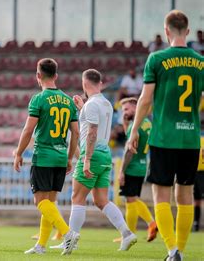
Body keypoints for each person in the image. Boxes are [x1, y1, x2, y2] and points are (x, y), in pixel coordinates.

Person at [128, 10, 203, 261]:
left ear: (167, 30)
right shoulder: (201, 62)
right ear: (188, 32)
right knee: (185, 196)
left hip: (163, 138)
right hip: (191, 139)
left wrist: (134, 130)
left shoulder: (156, 59)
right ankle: (180, 249)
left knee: (161, 195)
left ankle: (172, 251)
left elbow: (145, 99)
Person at [63, 69, 137, 255]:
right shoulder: (106, 104)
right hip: (105, 154)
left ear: (84, 83)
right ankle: (126, 233)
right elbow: (94, 123)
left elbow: (92, 132)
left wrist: (86, 159)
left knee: (77, 197)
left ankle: (71, 241)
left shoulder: (92, 105)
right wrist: (82, 107)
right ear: (100, 83)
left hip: (93, 154)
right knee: (101, 199)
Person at [13, 58, 80, 255]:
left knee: (40, 202)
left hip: (43, 156)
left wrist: (18, 153)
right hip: (60, 157)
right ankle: (41, 245)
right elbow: (75, 132)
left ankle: (68, 232)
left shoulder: (39, 99)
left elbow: (28, 130)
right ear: (56, 76)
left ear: (38, 76)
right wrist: (69, 158)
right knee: (49, 204)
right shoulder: (68, 100)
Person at [116, 97, 157, 242]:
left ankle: (133, 232)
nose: (124, 112)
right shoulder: (146, 123)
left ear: (135, 107)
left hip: (132, 166)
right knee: (133, 199)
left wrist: (121, 171)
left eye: (126, 109)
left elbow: (129, 150)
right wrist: (125, 121)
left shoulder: (136, 126)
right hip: (142, 164)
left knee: (130, 200)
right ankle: (141, 228)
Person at [193, 138, 204, 232]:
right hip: (196, 172)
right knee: (197, 200)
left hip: (199, 172)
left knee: (198, 200)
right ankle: (196, 223)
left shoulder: (196, 138)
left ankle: (196, 223)